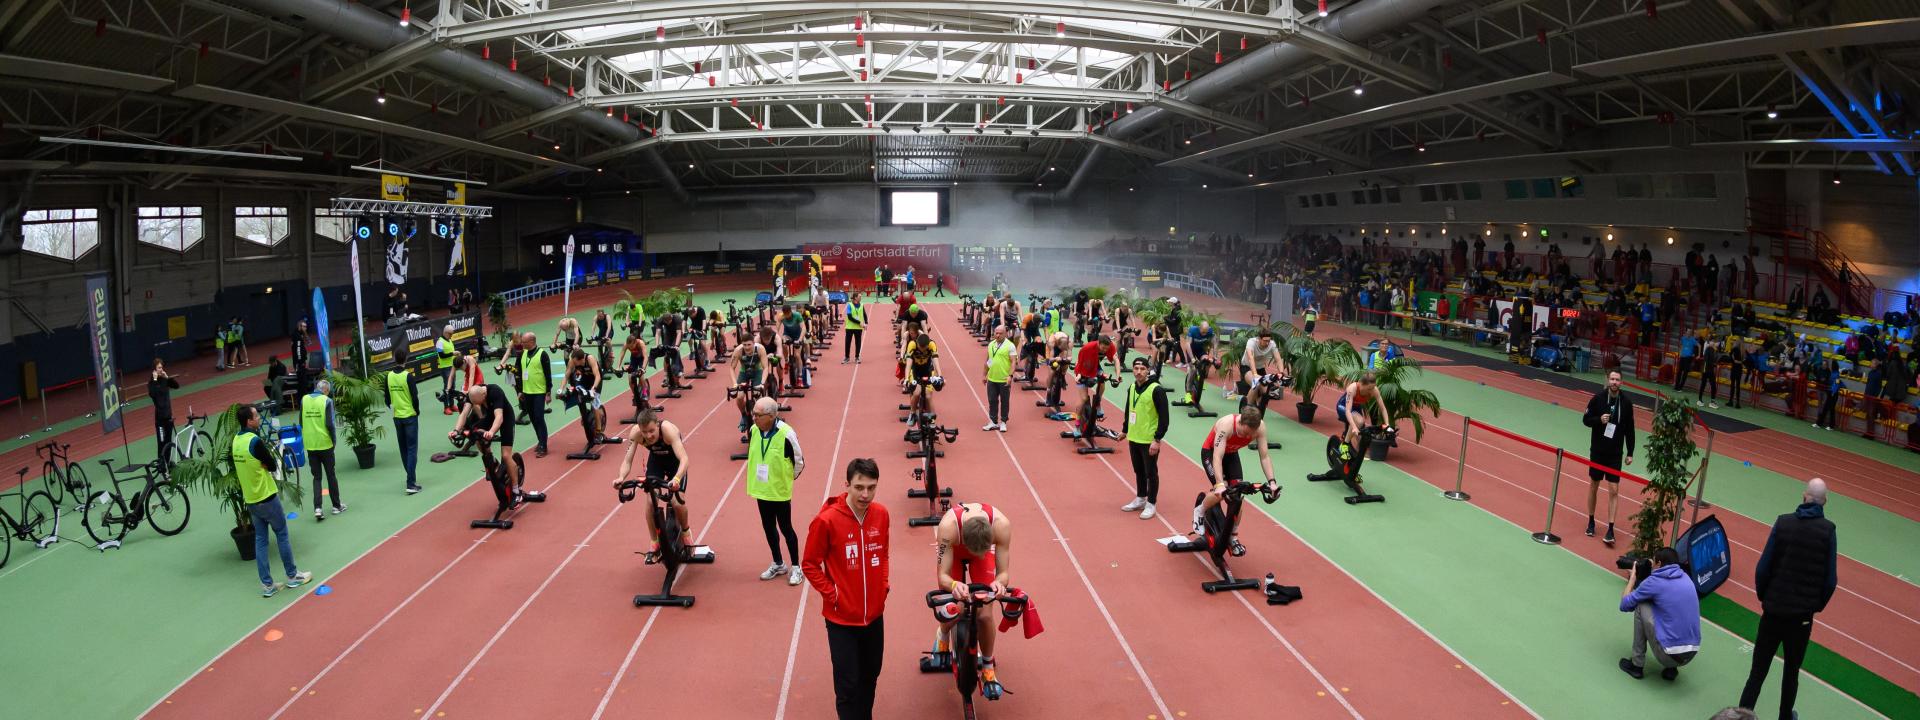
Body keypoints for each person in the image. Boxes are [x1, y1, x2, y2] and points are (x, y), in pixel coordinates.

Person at [1738, 478, 1839, 720]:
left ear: (1804, 496)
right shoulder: (1828, 531)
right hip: (1801, 619)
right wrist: (1814, 607)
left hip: (1773, 611)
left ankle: (1740, 716)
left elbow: (1763, 568)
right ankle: (1784, 717)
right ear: (1824, 502)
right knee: (1791, 672)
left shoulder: (1783, 523)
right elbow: (1830, 580)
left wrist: (1766, 597)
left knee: (1757, 672)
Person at [802, 458, 891, 720]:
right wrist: (834, 595)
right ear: (847, 485)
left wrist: (883, 585)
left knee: (870, 677)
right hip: (841, 620)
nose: (865, 494)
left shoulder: (882, 514)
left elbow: (884, 553)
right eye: (859, 487)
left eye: (871, 487)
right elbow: (809, 564)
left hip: (874, 617)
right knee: (848, 685)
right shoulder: (827, 521)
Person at [933, 500, 1014, 690]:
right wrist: (954, 584)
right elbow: (942, 575)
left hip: (982, 554)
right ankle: (942, 634)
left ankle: (988, 668)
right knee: (955, 607)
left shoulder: (1001, 525)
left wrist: (999, 584)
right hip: (956, 550)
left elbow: (1003, 573)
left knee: (985, 615)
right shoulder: (948, 528)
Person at [234, 404, 313, 597]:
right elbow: (270, 465)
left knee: (261, 541)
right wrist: (263, 463)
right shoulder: (255, 441)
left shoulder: (236, 440)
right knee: (282, 535)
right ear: (249, 421)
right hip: (267, 497)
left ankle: (267, 585)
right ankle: (293, 576)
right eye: (256, 416)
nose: (259, 418)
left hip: (251, 500)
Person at [614, 409, 692, 562]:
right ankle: (654, 541)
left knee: (676, 502)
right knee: (650, 501)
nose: (649, 436)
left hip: (675, 464)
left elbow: (684, 459)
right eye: (645, 432)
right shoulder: (636, 433)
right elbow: (627, 460)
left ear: (657, 425)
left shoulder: (668, 430)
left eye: (651, 431)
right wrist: (621, 477)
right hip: (656, 461)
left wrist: (676, 479)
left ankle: (686, 532)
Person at [1196, 408, 1275, 554]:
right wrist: (1220, 484)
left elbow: (1264, 456)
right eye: (1246, 433)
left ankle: (1233, 536)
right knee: (1222, 492)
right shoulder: (1226, 425)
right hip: (1211, 453)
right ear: (1240, 422)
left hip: (1231, 454)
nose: (1249, 436)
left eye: (1251, 434)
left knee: (1237, 496)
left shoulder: (1260, 427)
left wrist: (1272, 482)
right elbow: (1217, 457)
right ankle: (1199, 512)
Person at [746, 397, 806, 586]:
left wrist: (786, 480)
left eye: (757, 415)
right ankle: (778, 563)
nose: (753, 417)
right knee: (768, 527)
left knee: (786, 528)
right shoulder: (754, 430)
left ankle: (796, 567)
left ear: (771, 416)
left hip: (779, 491)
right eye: (753, 413)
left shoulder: (787, 434)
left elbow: (799, 462)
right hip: (761, 490)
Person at [1617, 547, 1701, 680]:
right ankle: (1671, 670)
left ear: (1659, 564)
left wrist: (1632, 579)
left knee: (1641, 605)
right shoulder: (1686, 577)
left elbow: (1625, 605)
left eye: (1654, 562)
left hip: (1668, 656)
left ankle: (1636, 665)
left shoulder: (1654, 582)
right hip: (1690, 654)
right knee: (1670, 611)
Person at [1583, 371, 1637, 546]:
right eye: (1612, 379)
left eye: (1617, 380)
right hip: (1598, 451)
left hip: (1615, 454)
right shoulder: (1597, 399)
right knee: (1594, 485)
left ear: (1622, 382)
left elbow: (1630, 429)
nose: (1614, 382)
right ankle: (1591, 521)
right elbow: (1585, 420)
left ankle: (1610, 529)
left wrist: (1630, 452)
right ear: (1608, 381)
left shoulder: (1627, 403)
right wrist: (1599, 419)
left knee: (1614, 490)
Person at [1120, 357, 1169, 520]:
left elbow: (1164, 418)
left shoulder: (1157, 390)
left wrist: (1157, 439)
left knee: (1151, 472)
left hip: (1149, 440)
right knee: (1138, 470)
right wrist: (1125, 430)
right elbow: (1129, 409)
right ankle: (1141, 498)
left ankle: (1151, 503)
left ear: (1148, 370)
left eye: (1142, 368)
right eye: (1136, 368)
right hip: (1134, 437)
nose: (1139, 371)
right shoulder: (1132, 387)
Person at [451, 383, 522, 492]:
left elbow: (499, 417)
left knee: (506, 456)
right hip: (490, 417)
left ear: (484, 395)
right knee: (476, 434)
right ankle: (492, 462)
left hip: (505, 418)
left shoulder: (495, 391)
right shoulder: (473, 394)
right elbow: (464, 414)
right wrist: (456, 430)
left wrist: (491, 432)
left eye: (479, 403)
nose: (478, 405)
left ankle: (516, 490)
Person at [300, 379, 345, 521]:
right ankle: (336, 506)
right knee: (331, 475)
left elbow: (301, 421)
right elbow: (330, 424)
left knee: (317, 477)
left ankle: (317, 508)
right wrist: (334, 441)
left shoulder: (304, 399)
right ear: (325, 390)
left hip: (310, 444)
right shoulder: (327, 401)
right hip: (325, 443)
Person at [504, 332, 552, 457]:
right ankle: (540, 440)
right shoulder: (522, 354)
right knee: (533, 418)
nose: (522, 344)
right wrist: (519, 390)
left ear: (532, 341)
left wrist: (548, 392)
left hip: (539, 392)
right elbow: (518, 372)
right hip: (527, 392)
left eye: (524, 342)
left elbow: (548, 374)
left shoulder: (543, 354)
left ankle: (543, 446)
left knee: (539, 418)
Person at [384, 363, 424, 494]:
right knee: (412, 449)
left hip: (397, 418)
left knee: (403, 448)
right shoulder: (408, 376)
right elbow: (414, 397)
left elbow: (386, 398)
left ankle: (411, 478)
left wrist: (393, 408)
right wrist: (417, 411)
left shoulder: (388, 376)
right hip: (410, 417)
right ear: (405, 360)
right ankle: (411, 483)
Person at [732, 330, 770, 432]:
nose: (747, 347)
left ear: (754, 343)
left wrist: (762, 383)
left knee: (758, 395)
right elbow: (731, 368)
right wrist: (735, 383)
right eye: (744, 345)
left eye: (749, 344)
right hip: (744, 372)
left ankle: (762, 420)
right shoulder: (738, 351)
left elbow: (766, 367)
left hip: (757, 371)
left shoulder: (760, 349)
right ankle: (744, 415)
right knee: (739, 397)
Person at [1336, 372, 1385, 447]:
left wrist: (1387, 424)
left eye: (1373, 388)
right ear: (1362, 384)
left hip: (1355, 409)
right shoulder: (1352, 388)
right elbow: (1348, 411)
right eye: (1369, 388)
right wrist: (1354, 427)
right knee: (1359, 421)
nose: (1371, 391)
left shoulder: (1374, 390)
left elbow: (1383, 409)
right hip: (1343, 407)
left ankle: (1347, 440)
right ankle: (1344, 445)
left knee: (1361, 434)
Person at [149, 359, 182, 469]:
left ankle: (167, 463)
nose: (161, 369)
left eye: (161, 367)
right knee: (161, 442)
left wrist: (167, 377)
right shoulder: (152, 383)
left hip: (168, 417)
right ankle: (161, 465)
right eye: (159, 368)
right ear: (154, 369)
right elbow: (153, 394)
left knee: (168, 442)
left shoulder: (164, 380)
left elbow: (177, 386)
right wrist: (154, 379)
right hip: (160, 420)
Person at [983, 325, 1016, 432]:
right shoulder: (991, 344)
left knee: (1004, 401)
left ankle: (1003, 422)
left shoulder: (1010, 345)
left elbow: (1013, 362)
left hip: (1004, 379)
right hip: (992, 378)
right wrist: (984, 375)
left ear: (1005, 333)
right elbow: (988, 360)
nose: (997, 335)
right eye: (996, 333)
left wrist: (1010, 376)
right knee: (992, 400)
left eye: (1000, 333)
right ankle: (993, 421)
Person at [903, 331, 940, 420]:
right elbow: (908, 364)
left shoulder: (932, 344)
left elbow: (936, 361)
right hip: (915, 370)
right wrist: (906, 379)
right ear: (917, 343)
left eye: (924, 348)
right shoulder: (912, 344)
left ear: (928, 345)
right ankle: (912, 414)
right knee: (916, 393)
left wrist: (939, 376)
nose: (922, 350)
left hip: (928, 370)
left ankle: (932, 420)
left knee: (928, 395)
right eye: (920, 348)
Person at [435, 324, 460, 414]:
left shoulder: (449, 340)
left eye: (452, 334)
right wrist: (453, 353)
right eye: (450, 334)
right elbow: (441, 355)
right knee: (447, 387)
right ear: (445, 332)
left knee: (452, 387)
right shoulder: (439, 342)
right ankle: (446, 408)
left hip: (452, 367)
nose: (451, 336)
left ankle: (452, 405)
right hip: (445, 368)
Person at [843, 293, 866, 364]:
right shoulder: (849, 305)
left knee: (858, 343)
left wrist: (866, 324)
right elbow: (849, 317)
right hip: (849, 327)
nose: (861, 298)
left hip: (858, 328)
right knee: (847, 343)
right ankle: (847, 357)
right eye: (860, 296)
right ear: (855, 298)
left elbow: (865, 315)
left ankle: (857, 357)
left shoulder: (862, 305)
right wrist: (859, 322)